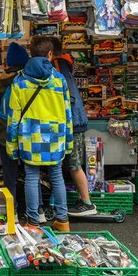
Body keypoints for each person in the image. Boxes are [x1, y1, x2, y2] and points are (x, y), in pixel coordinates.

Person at [7, 36, 73, 231]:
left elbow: (13, 119)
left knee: (31, 176)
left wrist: (12, 147)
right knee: (56, 176)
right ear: (50, 54)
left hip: (30, 137)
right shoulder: (59, 81)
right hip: (54, 136)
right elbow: (67, 113)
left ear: (31, 53)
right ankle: (62, 220)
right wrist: (68, 142)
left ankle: (33, 221)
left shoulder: (19, 81)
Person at [50, 37, 97, 216]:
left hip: (73, 122)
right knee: (68, 164)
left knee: (74, 164)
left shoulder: (59, 64)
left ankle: (87, 202)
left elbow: (67, 95)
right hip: (73, 120)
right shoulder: (64, 63)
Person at [0, 42, 30, 211]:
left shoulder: (3, 82)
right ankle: (35, 209)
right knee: (31, 172)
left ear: (9, 62)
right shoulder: (32, 79)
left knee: (9, 172)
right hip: (29, 131)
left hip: (7, 132)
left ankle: (12, 209)